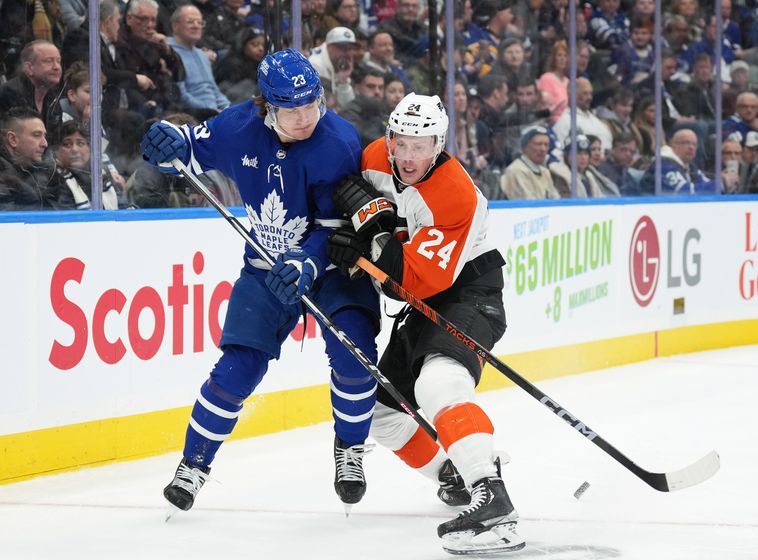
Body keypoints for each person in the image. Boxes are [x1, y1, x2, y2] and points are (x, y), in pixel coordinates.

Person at [138, 49, 381, 513]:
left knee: (356, 357)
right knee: (236, 370)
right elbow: (188, 149)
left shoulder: (340, 141)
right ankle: (194, 464)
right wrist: (166, 143)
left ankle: (349, 448)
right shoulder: (236, 127)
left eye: (313, 104)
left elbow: (336, 227)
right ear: (267, 106)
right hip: (264, 268)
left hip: (333, 271)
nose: (306, 116)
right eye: (293, 109)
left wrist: (308, 262)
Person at [325, 93, 524, 555]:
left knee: (439, 380)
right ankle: (453, 473)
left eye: (422, 144)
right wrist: (355, 238)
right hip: (426, 297)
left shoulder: (455, 195)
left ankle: (493, 501)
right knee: (376, 410)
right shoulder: (374, 158)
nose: (409, 155)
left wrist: (366, 241)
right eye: (403, 143)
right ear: (390, 138)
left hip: (470, 293)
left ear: (439, 144)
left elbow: (408, 284)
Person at [0, 107, 72, 211]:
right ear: (13, 139)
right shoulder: (4, 177)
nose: (45, 144)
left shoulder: (45, 172)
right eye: (37, 135)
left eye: (44, 136)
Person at [167, 4, 231, 113]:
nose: (196, 26)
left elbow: (215, 91)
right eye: (190, 21)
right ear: (175, 26)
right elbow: (181, 96)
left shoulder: (202, 55)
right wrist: (211, 111)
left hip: (214, 113)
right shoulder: (168, 52)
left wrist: (229, 109)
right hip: (190, 115)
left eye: (200, 22)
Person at [501, 125, 559, 199]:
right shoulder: (515, 170)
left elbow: (555, 200)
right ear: (525, 146)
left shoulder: (545, 172)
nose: (543, 149)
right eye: (538, 144)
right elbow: (527, 203)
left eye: (546, 145)